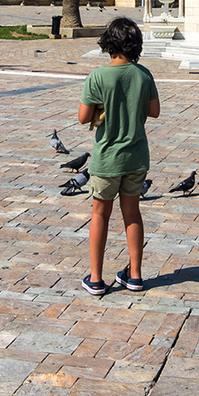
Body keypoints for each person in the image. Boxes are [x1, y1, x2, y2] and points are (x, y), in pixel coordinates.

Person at [77, 17, 161, 296]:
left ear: (108, 44)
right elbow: (154, 110)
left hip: (107, 158)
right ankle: (135, 275)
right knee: (132, 213)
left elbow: (83, 117)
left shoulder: (98, 76)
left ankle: (96, 278)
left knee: (100, 213)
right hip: (136, 156)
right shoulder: (143, 74)